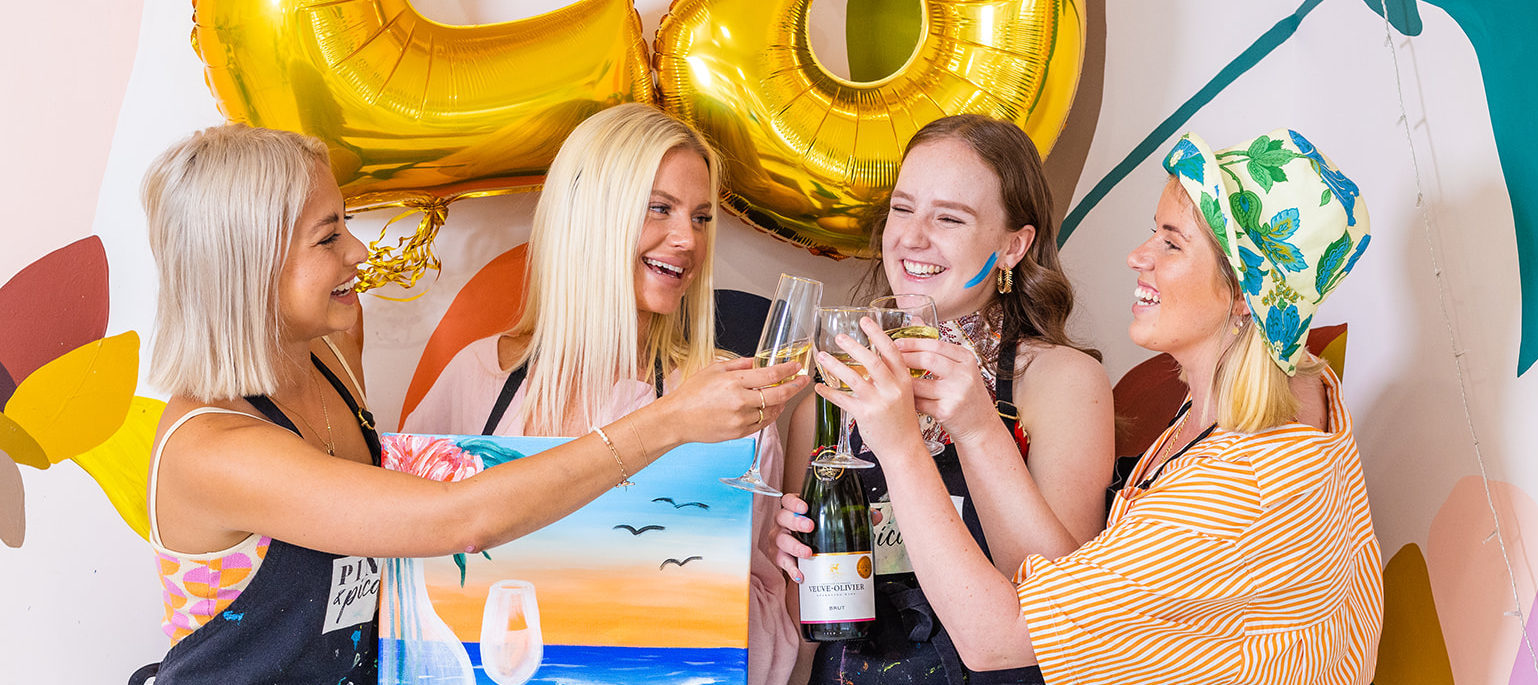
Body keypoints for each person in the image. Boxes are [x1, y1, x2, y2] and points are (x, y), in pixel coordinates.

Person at [137, 123, 806, 684]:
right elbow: (459, 519)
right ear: (251, 264)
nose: (360, 250)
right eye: (329, 235)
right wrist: (666, 423)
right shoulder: (214, 451)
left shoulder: (336, 347)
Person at [791, 128, 1382, 683]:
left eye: (1171, 243)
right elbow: (1059, 587)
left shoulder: (1248, 482)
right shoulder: (1238, 412)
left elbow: (998, 637)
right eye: (902, 207)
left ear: (1244, 299)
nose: (1137, 256)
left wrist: (901, 447)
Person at [402, 103, 799, 685]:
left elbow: (770, 624)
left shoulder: (732, 400)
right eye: (658, 208)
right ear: (587, 216)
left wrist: (780, 562)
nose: (687, 238)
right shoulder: (476, 379)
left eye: (703, 217)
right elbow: (401, 562)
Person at [774, 115, 1116, 684]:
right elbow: (806, 633)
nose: (911, 237)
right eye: (903, 209)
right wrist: (789, 561)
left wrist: (968, 431)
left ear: (1013, 246)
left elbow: (1061, 613)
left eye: (949, 218)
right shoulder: (830, 398)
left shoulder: (1062, 382)